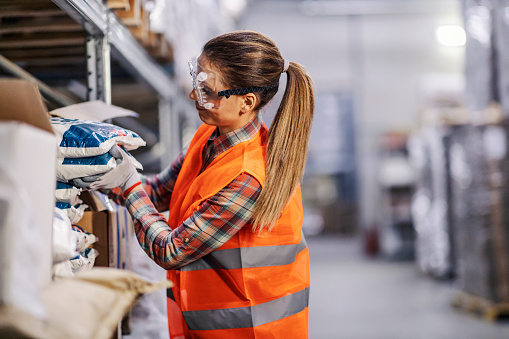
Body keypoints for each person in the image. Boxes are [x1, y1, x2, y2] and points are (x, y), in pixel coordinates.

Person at [90, 29, 315, 338]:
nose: (195, 95)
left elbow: (170, 251)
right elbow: (156, 193)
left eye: (207, 91)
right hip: (213, 326)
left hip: (252, 331)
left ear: (246, 102)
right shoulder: (208, 138)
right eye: (196, 80)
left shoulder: (249, 178)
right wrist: (101, 170)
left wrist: (128, 186)